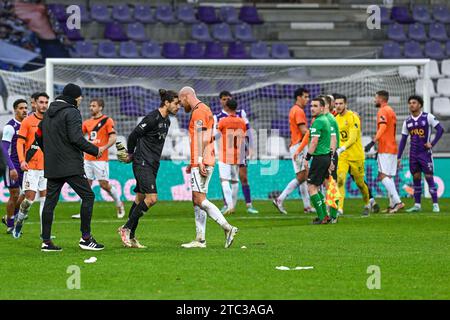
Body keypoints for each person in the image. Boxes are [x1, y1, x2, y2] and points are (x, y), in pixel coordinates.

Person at [37, 83, 105, 252]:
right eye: (80, 97)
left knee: (50, 202)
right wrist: (95, 150)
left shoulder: (48, 113)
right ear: (75, 97)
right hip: (70, 165)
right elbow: (76, 138)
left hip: (52, 165)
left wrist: (49, 152)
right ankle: (86, 238)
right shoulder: (72, 112)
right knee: (88, 196)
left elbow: (39, 134)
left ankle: (46, 241)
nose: (81, 100)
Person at [117, 89, 180, 249]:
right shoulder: (152, 118)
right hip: (142, 162)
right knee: (151, 199)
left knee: (139, 199)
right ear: (166, 103)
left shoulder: (167, 121)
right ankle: (126, 228)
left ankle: (131, 236)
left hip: (152, 163)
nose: (178, 106)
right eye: (176, 103)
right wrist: (130, 154)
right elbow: (133, 136)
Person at [178, 86, 238, 249]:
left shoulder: (198, 111)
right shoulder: (204, 109)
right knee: (196, 199)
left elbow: (202, 137)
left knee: (199, 199)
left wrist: (198, 160)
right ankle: (200, 239)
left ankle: (227, 228)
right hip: (204, 158)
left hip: (204, 160)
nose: (181, 105)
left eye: (180, 101)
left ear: (186, 96)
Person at [71, 98, 125, 219]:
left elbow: (113, 138)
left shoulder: (107, 120)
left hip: (100, 159)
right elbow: (78, 137)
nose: (91, 108)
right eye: (90, 106)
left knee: (104, 185)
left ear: (100, 107)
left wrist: (103, 148)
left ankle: (119, 204)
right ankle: (83, 212)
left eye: (94, 106)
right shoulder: (87, 123)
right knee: (86, 185)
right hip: (87, 159)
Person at [398, 95, 444, 213]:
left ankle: (435, 205)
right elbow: (403, 140)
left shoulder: (427, 117)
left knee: (429, 177)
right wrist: (398, 157)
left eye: (414, 102)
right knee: (416, 177)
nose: (411, 105)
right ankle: (417, 205)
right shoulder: (407, 121)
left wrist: (432, 143)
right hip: (413, 154)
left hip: (425, 153)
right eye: (410, 103)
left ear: (419, 105)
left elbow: (440, 129)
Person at [215, 91, 259, 214]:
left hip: (233, 152)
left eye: (227, 99)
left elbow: (216, 135)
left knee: (237, 178)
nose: (225, 101)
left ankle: (242, 205)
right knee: (234, 180)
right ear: (221, 101)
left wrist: (250, 147)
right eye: (224, 99)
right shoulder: (219, 117)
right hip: (234, 153)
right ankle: (229, 205)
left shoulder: (236, 116)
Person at [13, 92, 49, 238]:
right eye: (41, 102)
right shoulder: (28, 121)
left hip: (47, 168)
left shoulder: (50, 121)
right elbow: (20, 141)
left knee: (45, 201)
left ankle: (44, 234)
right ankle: (19, 222)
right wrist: (22, 160)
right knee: (29, 201)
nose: (44, 105)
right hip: (31, 167)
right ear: (35, 103)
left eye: (46, 102)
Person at [273, 87, 313, 214]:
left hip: (297, 145)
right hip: (299, 145)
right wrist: (317, 134)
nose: (307, 99)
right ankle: (280, 199)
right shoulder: (298, 111)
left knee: (304, 176)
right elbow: (303, 130)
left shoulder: (294, 110)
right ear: (298, 97)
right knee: (302, 176)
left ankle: (307, 206)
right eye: (305, 97)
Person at [334, 94, 375, 216]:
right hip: (342, 156)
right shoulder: (336, 119)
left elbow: (353, 138)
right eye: (336, 104)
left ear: (345, 104)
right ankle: (339, 208)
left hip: (356, 156)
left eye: (341, 103)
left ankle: (367, 203)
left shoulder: (353, 117)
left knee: (360, 184)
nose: (338, 106)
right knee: (340, 180)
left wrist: (342, 148)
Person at [365, 90, 404, 213]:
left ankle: (398, 202)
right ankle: (392, 205)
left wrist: (373, 141)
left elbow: (383, 127)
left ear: (381, 99)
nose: (374, 100)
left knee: (382, 176)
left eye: (375, 97)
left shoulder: (382, 110)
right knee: (389, 177)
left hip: (385, 147)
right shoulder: (391, 110)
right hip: (392, 147)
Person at [216, 99, 247, 215]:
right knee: (235, 181)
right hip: (237, 155)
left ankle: (229, 206)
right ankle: (233, 205)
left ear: (227, 108)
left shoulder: (223, 121)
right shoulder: (242, 122)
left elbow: (216, 135)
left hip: (225, 154)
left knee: (224, 180)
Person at [303, 98, 332, 224]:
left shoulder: (318, 122)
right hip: (324, 157)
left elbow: (314, 141)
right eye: (311, 106)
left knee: (311, 187)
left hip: (319, 157)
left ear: (322, 108)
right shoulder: (325, 120)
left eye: (315, 106)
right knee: (317, 187)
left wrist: (307, 157)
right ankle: (325, 215)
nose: (312, 108)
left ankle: (322, 217)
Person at [1, 99, 28, 233]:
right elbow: (4, 148)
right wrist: (11, 167)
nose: (24, 110)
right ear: (15, 110)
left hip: (26, 165)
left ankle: (10, 217)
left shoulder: (28, 124)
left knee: (28, 194)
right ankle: (11, 224)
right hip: (13, 165)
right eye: (21, 108)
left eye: (25, 108)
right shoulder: (10, 127)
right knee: (14, 194)